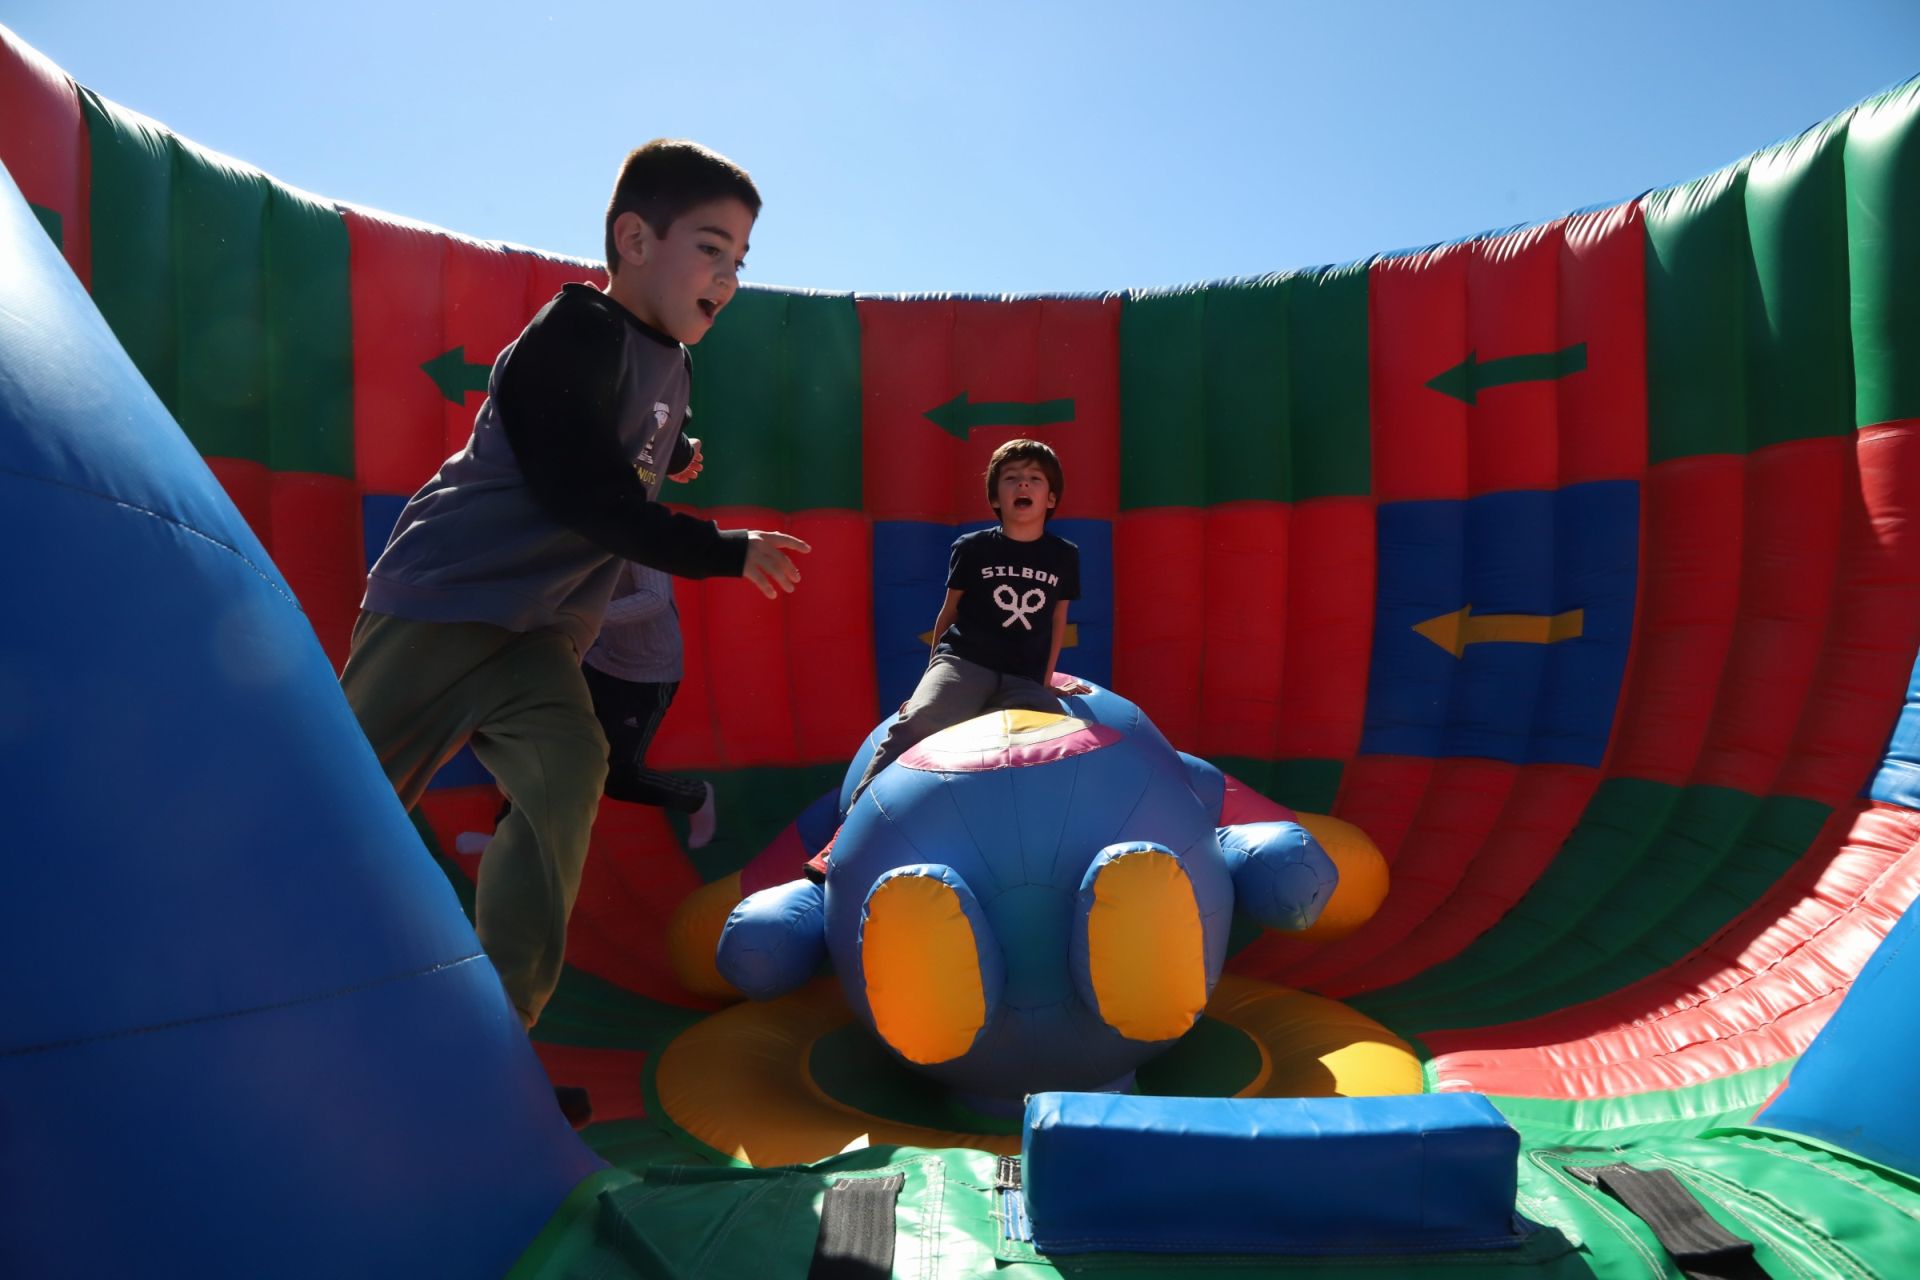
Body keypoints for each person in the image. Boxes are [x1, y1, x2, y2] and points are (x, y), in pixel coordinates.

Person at [340, 140, 807, 1122]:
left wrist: (676, 449)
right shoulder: (572, 331)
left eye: (742, 260)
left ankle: (490, 1043)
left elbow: (633, 433)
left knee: (566, 773)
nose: (729, 278)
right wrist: (719, 547)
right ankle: (261, 992)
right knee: (347, 808)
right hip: (445, 603)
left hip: (542, 633)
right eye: (713, 249)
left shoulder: (668, 359)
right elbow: (583, 489)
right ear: (634, 238)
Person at [846, 438, 1089, 805]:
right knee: (922, 721)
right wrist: (927, 684)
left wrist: (1044, 682)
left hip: (1021, 675)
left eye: (1034, 478)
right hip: (965, 662)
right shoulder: (973, 547)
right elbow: (949, 613)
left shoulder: (1064, 556)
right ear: (995, 498)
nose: (1023, 484)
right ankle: (857, 818)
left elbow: (1057, 620)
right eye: (1011, 478)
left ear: (1051, 499)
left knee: (1055, 735)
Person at [581, 560, 717, 847]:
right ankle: (507, 832)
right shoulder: (571, 528)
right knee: (548, 742)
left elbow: (654, 598)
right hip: (600, 656)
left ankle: (696, 796)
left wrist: (584, 614)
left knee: (618, 778)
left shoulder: (634, 527)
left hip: (647, 672)